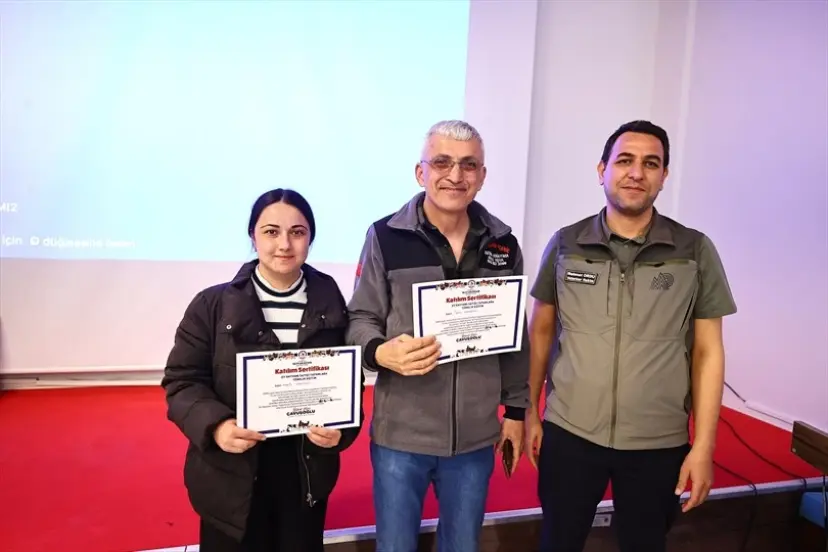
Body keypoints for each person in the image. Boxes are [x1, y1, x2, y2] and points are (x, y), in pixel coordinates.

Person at [525, 120, 737, 552]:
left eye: (650, 163)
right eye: (624, 161)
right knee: (558, 541)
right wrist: (530, 411)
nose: (636, 173)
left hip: (657, 443)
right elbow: (541, 330)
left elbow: (708, 352)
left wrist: (703, 446)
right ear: (601, 170)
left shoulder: (694, 250)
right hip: (570, 434)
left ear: (664, 176)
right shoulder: (566, 244)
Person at [346, 119, 530, 551]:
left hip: (475, 438)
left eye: (469, 165)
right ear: (421, 172)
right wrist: (379, 352)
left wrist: (516, 411)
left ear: (482, 176)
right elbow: (360, 317)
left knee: (462, 546)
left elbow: (515, 337)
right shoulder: (385, 236)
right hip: (401, 436)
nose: (456, 175)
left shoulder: (503, 243)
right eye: (442, 162)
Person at [161, 188, 364, 552]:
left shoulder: (330, 300)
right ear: (253, 237)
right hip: (232, 470)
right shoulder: (211, 304)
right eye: (271, 232)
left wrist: (342, 430)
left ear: (310, 238)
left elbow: (348, 381)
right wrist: (217, 427)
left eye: (297, 232)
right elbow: (182, 381)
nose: (284, 244)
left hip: (304, 469)